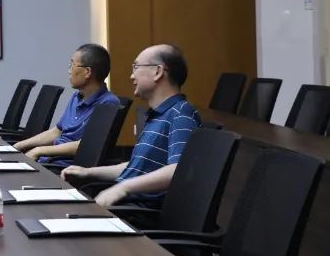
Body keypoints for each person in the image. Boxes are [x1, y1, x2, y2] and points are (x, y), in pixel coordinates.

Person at [61, 44, 200, 207]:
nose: (131, 76)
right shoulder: (157, 115)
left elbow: (178, 169)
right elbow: (136, 168)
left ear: (158, 72)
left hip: (138, 213)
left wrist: (123, 188)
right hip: (127, 206)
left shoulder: (181, 114)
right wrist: (87, 172)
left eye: (136, 67)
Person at [14, 44, 119, 165]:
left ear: (87, 72)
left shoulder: (108, 103)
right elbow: (57, 131)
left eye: (72, 65)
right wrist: (19, 146)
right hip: (48, 160)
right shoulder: (76, 96)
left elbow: (87, 145)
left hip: (64, 167)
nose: (69, 71)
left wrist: (39, 151)